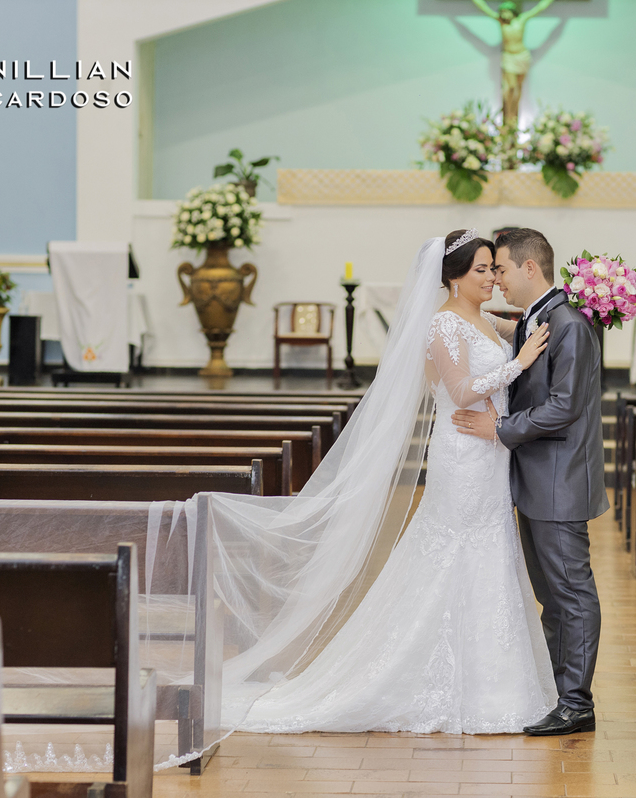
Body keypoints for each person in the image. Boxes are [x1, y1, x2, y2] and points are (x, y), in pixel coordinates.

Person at [237, 229, 558, 734]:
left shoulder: (483, 320)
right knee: (454, 550)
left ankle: (493, 685)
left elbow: (507, 340)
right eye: (481, 270)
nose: (492, 278)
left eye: (494, 269)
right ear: (453, 278)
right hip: (463, 452)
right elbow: (459, 389)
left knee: (489, 551)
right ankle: (430, 681)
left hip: (491, 453)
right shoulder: (442, 325)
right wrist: (518, 364)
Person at [452, 227, 607, 736]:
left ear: (529, 269)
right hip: (538, 477)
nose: (496, 277)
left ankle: (577, 704)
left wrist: (499, 430)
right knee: (551, 591)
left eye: (499, 268)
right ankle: (560, 691)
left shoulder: (569, 324)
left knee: (570, 591)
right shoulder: (542, 317)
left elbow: (564, 407)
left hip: (559, 480)